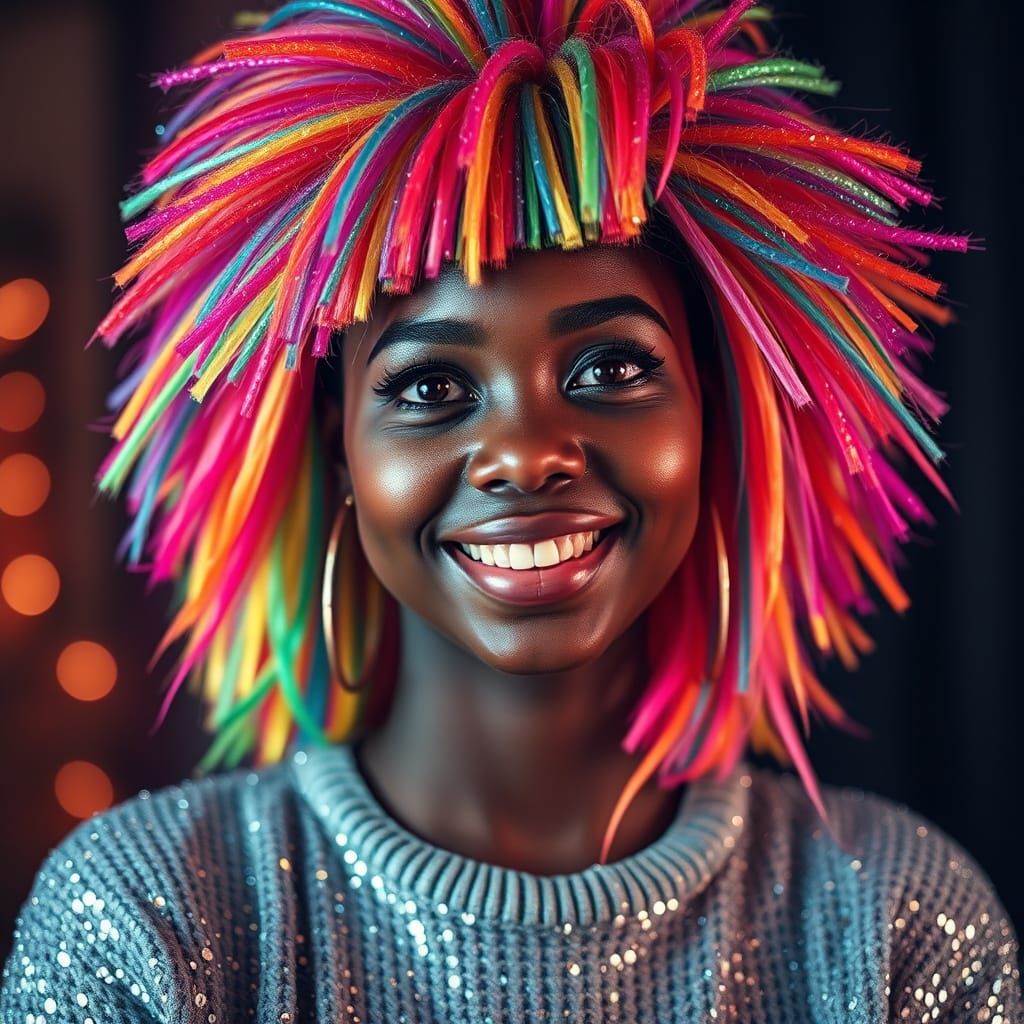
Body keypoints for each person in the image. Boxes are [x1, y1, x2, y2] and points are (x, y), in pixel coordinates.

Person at [2, 0, 1019, 1021]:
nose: (528, 456)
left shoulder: (895, 916)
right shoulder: (147, 915)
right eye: (432, 386)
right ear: (337, 444)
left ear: (714, 410)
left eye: (612, 367)